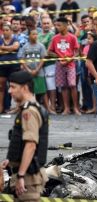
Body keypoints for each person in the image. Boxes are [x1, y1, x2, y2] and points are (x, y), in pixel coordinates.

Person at [0, 70, 49, 201]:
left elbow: (31, 145)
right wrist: (11, 160)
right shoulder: (30, 108)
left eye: (13, 87)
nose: (9, 91)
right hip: (26, 175)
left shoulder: (29, 112)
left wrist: (21, 176)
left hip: (28, 178)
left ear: (25, 88)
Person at [48, 17, 81, 115]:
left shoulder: (72, 37)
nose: (57, 27)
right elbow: (49, 52)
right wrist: (59, 57)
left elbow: (77, 52)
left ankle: (75, 107)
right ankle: (66, 108)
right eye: (56, 25)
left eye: (59, 25)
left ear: (66, 25)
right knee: (63, 86)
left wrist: (69, 59)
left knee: (72, 85)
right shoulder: (55, 38)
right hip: (59, 65)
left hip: (70, 64)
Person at [18, 29, 48, 112]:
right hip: (28, 72)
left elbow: (43, 58)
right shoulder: (25, 47)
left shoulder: (41, 46)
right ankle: (26, 108)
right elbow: (22, 59)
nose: (35, 36)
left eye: (36, 34)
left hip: (39, 71)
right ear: (29, 36)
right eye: (33, 34)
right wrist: (28, 70)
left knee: (40, 91)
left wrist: (37, 69)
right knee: (28, 91)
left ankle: (39, 108)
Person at [0, 23, 20, 114]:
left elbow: (16, 47)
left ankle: (17, 107)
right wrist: (10, 49)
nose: (5, 32)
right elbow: (12, 48)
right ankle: (1, 106)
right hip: (2, 66)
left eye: (7, 30)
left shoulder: (15, 38)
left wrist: (3, 48)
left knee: (15, 86)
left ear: (11, 31)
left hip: (14, 65)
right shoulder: (0, 39)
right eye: (3, 30)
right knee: (1, 87)